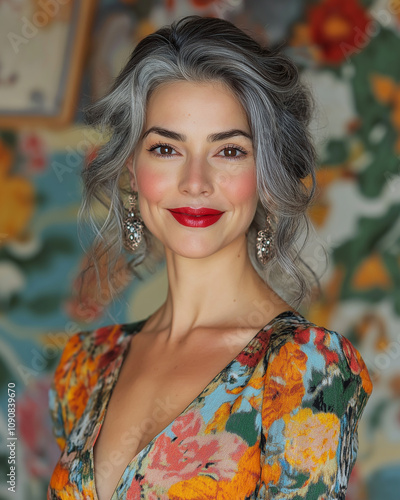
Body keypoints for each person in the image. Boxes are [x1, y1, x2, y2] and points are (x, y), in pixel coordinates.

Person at [47, 15, 373, 500]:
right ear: (133, 172)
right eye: (166, 148)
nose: (195, 182)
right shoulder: (85, 365)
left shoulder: (304, 365)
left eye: (229, 151)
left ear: (265, 174)